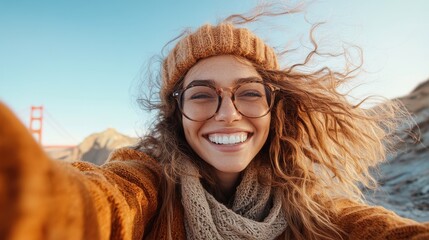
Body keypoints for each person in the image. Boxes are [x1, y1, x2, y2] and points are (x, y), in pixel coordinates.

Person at [0, 7, 428, 240]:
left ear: (274, 108)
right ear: (177, 114)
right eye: (202, 95)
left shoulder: (310, 205)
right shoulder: (147, 185)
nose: (228, 113)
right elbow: (91, 205)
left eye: (248, 93)